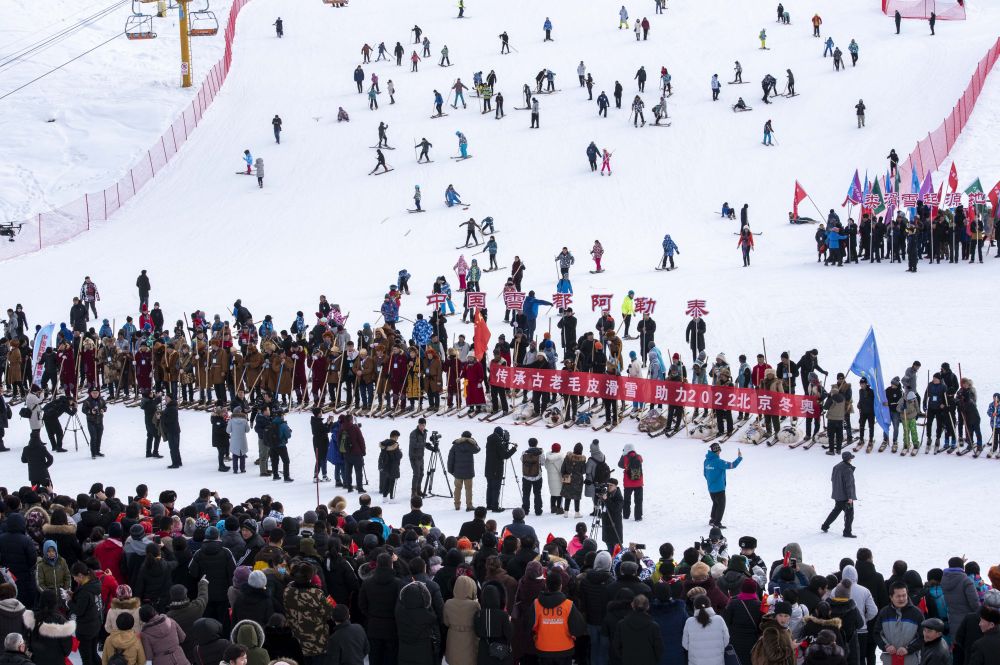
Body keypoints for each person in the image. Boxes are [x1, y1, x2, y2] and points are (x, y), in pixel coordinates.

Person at [530, 573, 585, 663]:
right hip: (565, 649)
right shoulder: (568, 605)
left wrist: (535, 635)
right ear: (560, 586)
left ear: (546, 585)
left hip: (543, 648)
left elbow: (528, 625)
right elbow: (579, 628)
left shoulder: (536, 604)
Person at [873, 582, 923, 665]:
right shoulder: (884, 612)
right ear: (891, 597)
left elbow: (922, 636)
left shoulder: (917, 613)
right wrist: (886, 646)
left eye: (904, 595)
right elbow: (876, 633)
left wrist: (908, 649)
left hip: (911, 660)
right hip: (889, 660)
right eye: (898, 596)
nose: (902, 599)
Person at [614, 594, 664, 665]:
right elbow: (659, 648)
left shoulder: (621, 624)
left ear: (632, 605)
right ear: (647, 607)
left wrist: (624, 657)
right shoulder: (653, 626)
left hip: (628, 660)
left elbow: (616, 646)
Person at [683, 594, 730, 665]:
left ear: (695, 607)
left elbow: (685, 645)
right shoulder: (719, 619)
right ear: (710, 605)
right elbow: (726, 641)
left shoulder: (689, 622)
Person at [703, 442, 742, 529]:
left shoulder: (706, 461)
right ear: (717, 451)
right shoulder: (718, 462)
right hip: (719, 489)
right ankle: (717, 523)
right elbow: (732, 465)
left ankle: (712, 520)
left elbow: (705, 474)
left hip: (711, 488)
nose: (720, 452)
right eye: (719, 450)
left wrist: (711, 482)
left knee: (715, 503)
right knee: (721, 505)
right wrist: (739, 458)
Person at [821, 452, 856, 538]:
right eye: (851, 458)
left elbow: (832, 479)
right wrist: (850, 497)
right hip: (845, 497)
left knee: (836, 511)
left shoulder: (836, 467)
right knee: (849, 515)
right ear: (849, 459)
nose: (851, 459)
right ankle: (847, 532)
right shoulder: (848, 469)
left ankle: (825, 526)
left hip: (837, 495)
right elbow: (849, 485)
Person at [448, 431, 480, 511]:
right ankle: (469, 506)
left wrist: (450, 469)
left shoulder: (456, 445)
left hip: (458, 472)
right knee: (468, 489)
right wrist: (473, 441)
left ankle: (457, 505)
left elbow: (450, 458)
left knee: (457, 488)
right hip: (468, 472)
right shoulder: (471, 445)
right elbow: (478, 449)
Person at [618, 443, 643, 521]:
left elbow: (619, 465)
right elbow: (641, 461)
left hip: (628, 483)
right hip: (638, 482)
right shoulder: (639, 456)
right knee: (638, 501)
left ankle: (626, 515)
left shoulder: (624, 457)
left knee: (626, 500)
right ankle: (638, 517)